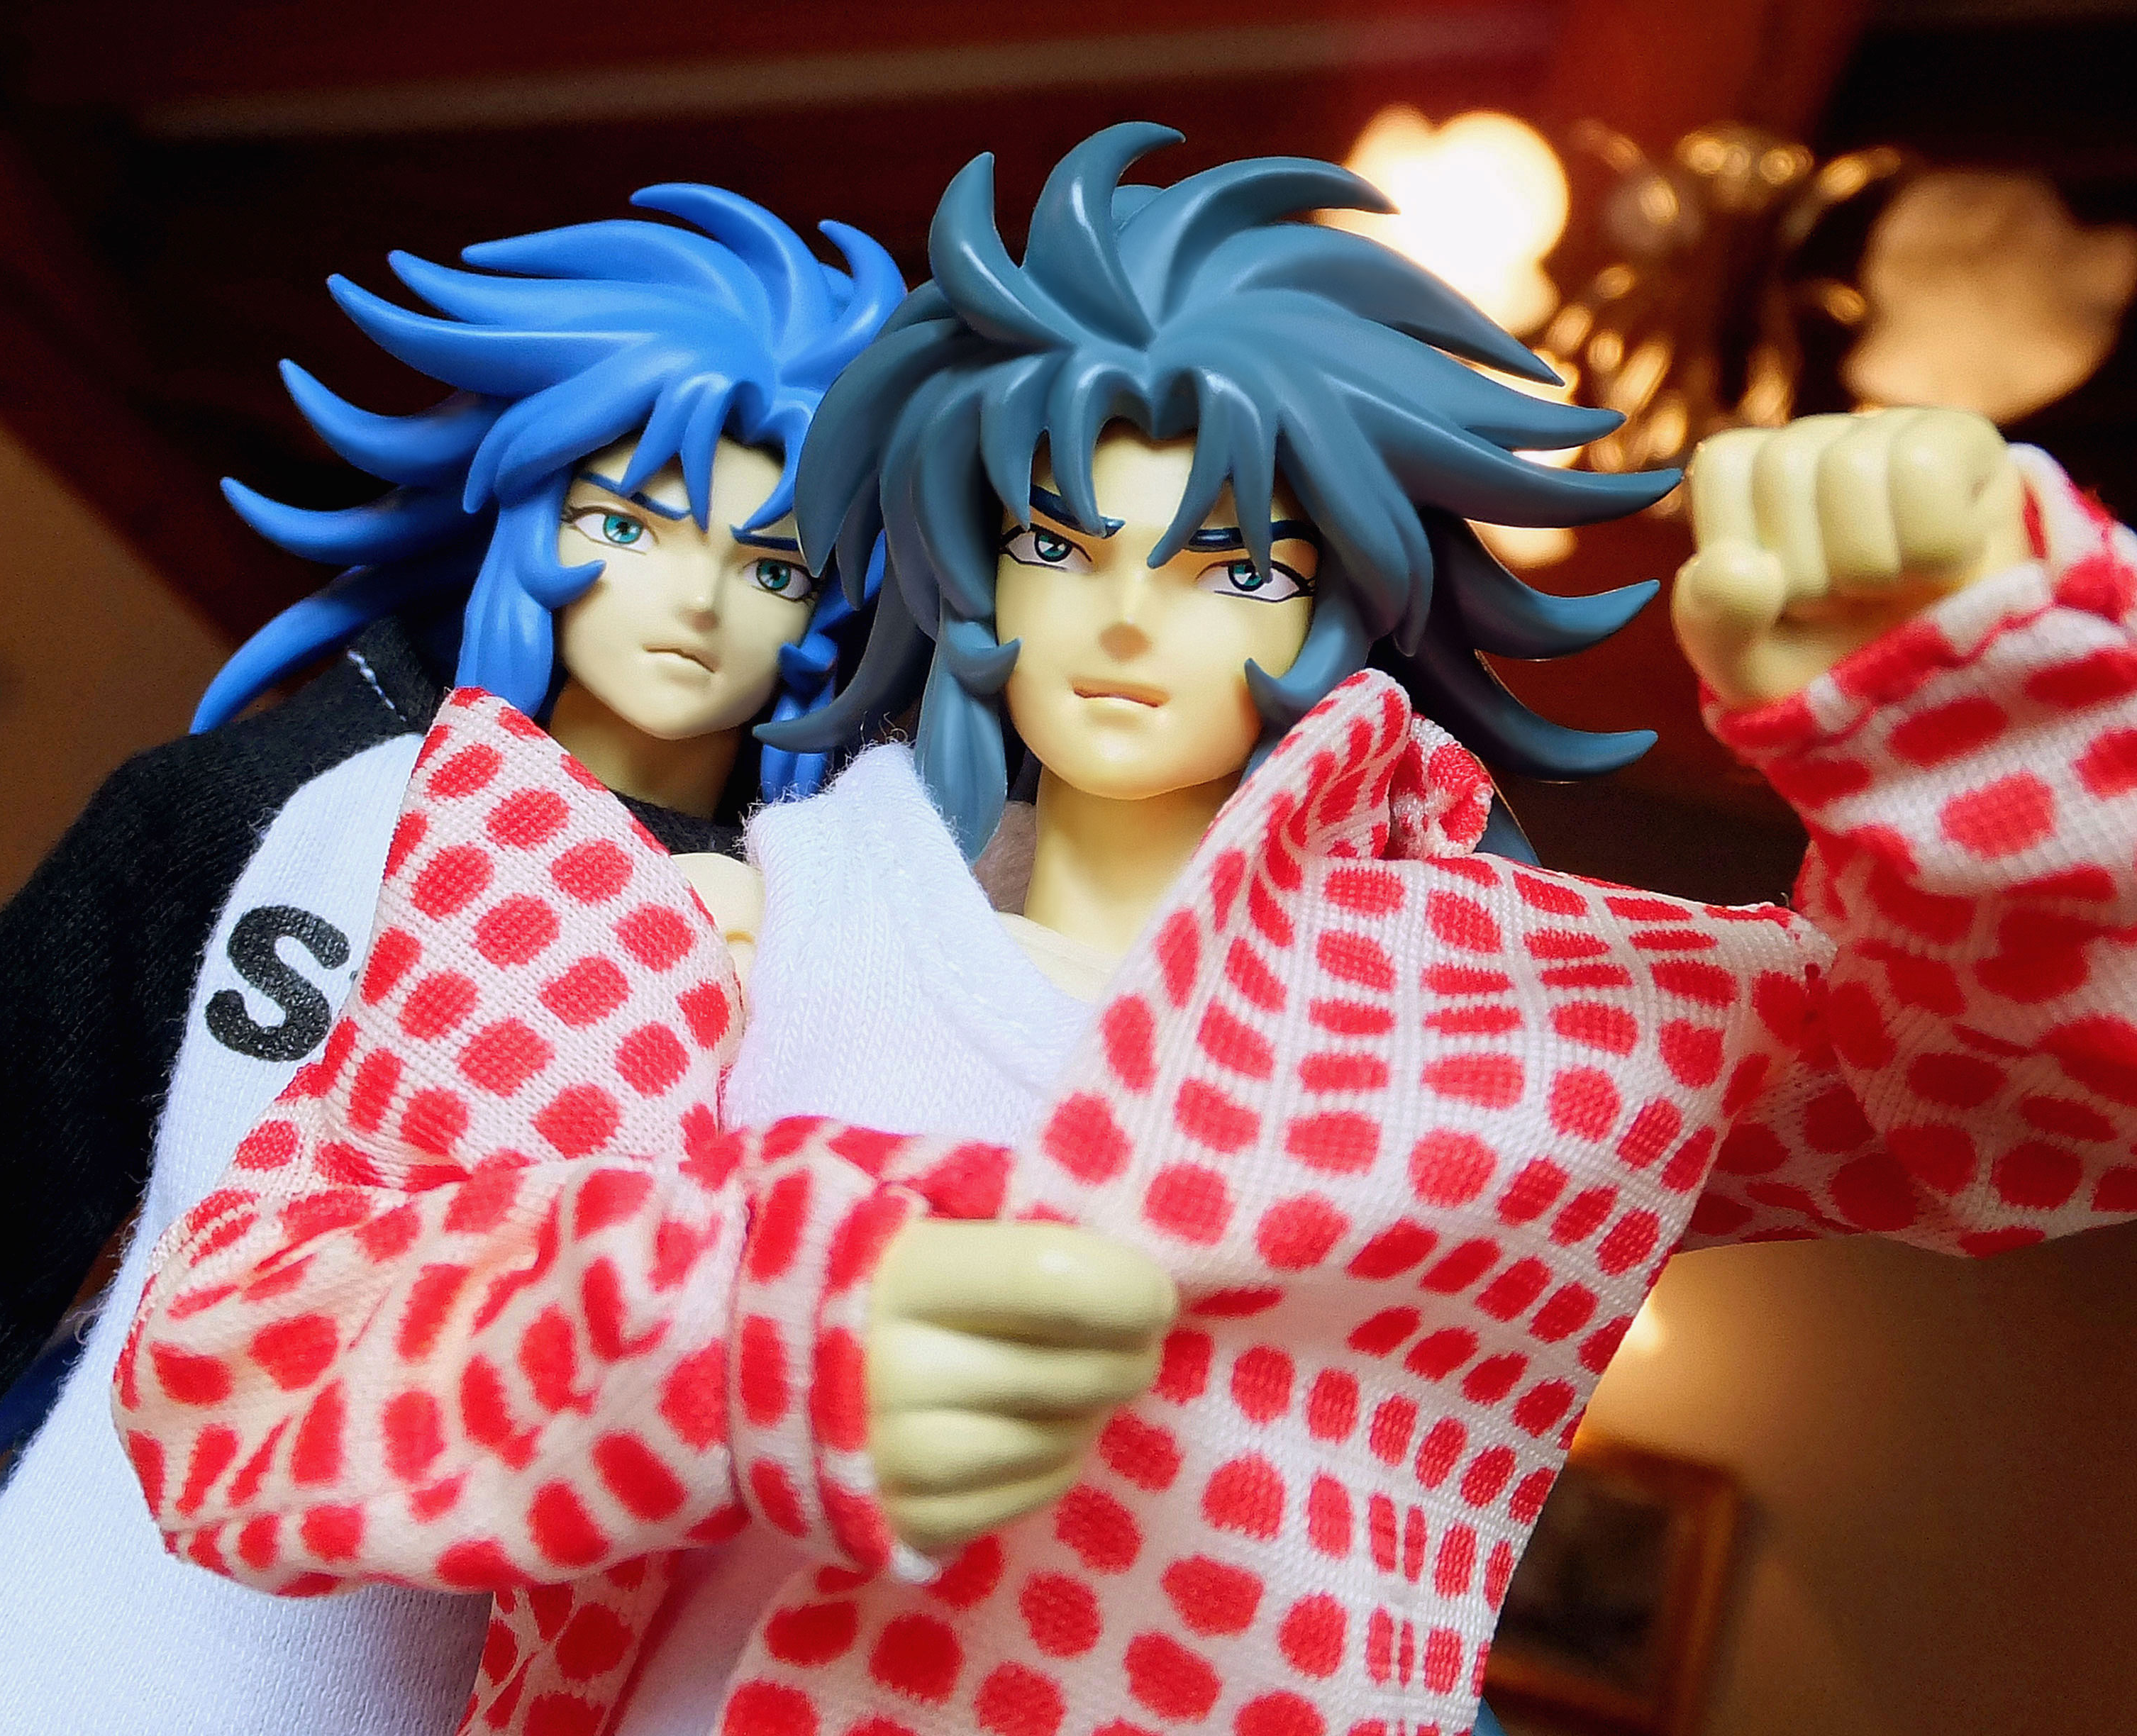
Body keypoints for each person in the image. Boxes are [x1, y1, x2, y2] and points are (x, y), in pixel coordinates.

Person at [118, 125, 2137, 1736]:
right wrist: (741, 1332)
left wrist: (1966, 694)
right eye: (1060, 539)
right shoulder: (717, 930)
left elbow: (2018, 1107)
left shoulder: (1519, 1019)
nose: (1129, 620)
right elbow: (243, 1365)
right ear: (974, 555)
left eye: (1233, 563)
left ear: (1346, 598)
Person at [0, 184, 899, 1736]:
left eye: (774, 563)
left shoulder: (810, 933)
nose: (694, 600)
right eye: (625, 522)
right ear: (523, 512)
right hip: (93, 1614)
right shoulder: (290, 805)